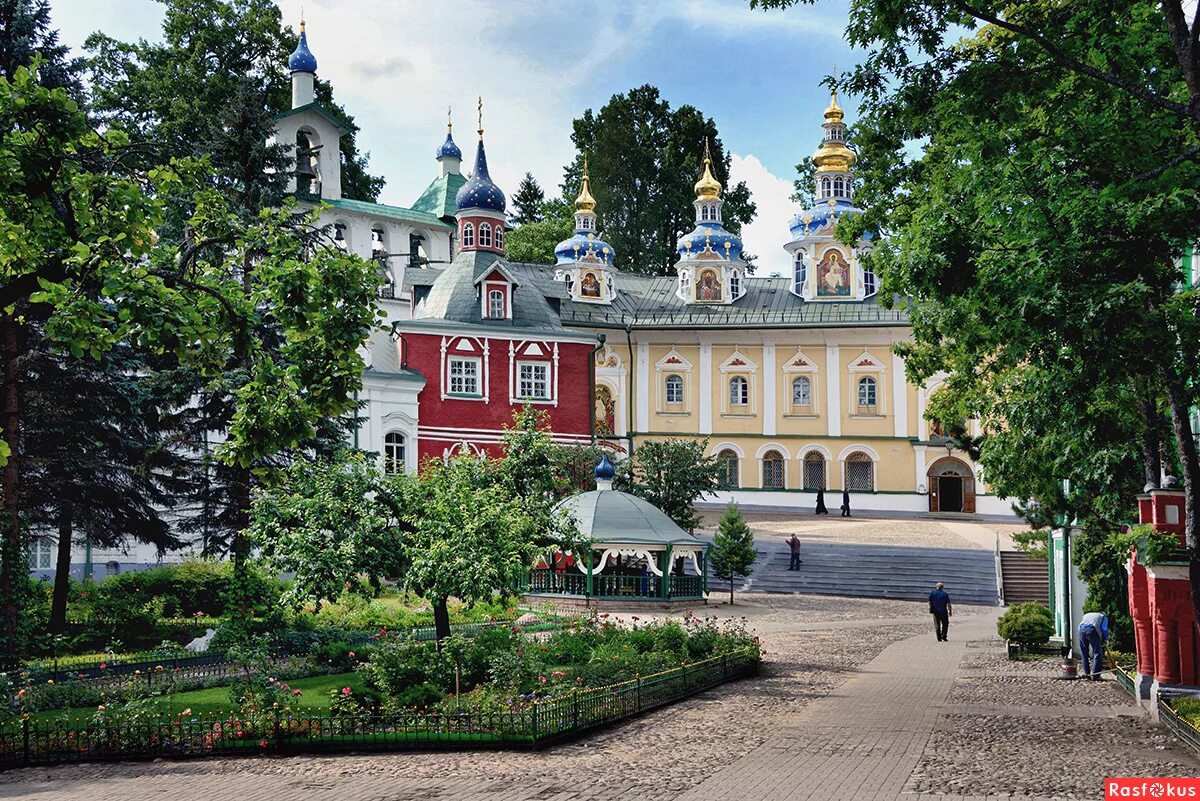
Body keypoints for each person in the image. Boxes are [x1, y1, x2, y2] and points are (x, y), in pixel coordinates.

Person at [1078, 611, 1109, 681]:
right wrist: (1106, 639)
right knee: (1097, 652)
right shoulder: (1103, 617)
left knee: (1084, 653)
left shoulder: (1087, 615)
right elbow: (1104, 629)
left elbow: (1080, 625)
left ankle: (1087, 675)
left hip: (1081, 630)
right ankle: (1095, 676)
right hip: (1092, 629)